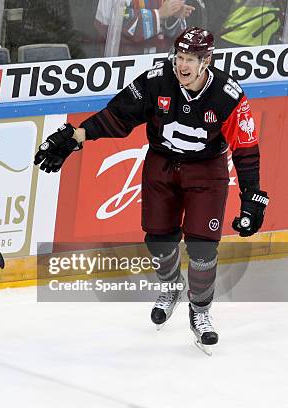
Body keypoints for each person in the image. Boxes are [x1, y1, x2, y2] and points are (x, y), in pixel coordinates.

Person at [33, 27, 269, 354]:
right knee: (158, 239)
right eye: (179, 57)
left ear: (207, 61)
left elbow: (245, 149)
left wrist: (251, 197)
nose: (182, 66)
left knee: (202, 248)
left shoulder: (227, 95)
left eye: (190, 59)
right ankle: (171, 286)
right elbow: (116, 116)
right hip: (161, 166)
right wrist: (76, 136)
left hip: (207, 172)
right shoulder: (156, 80)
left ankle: (200, 312)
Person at [95, 0, 195, 55]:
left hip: (157, 63)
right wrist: (159, 14)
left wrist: (173, 15)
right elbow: (114, 27)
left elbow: (174, 40)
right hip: (124, 65)